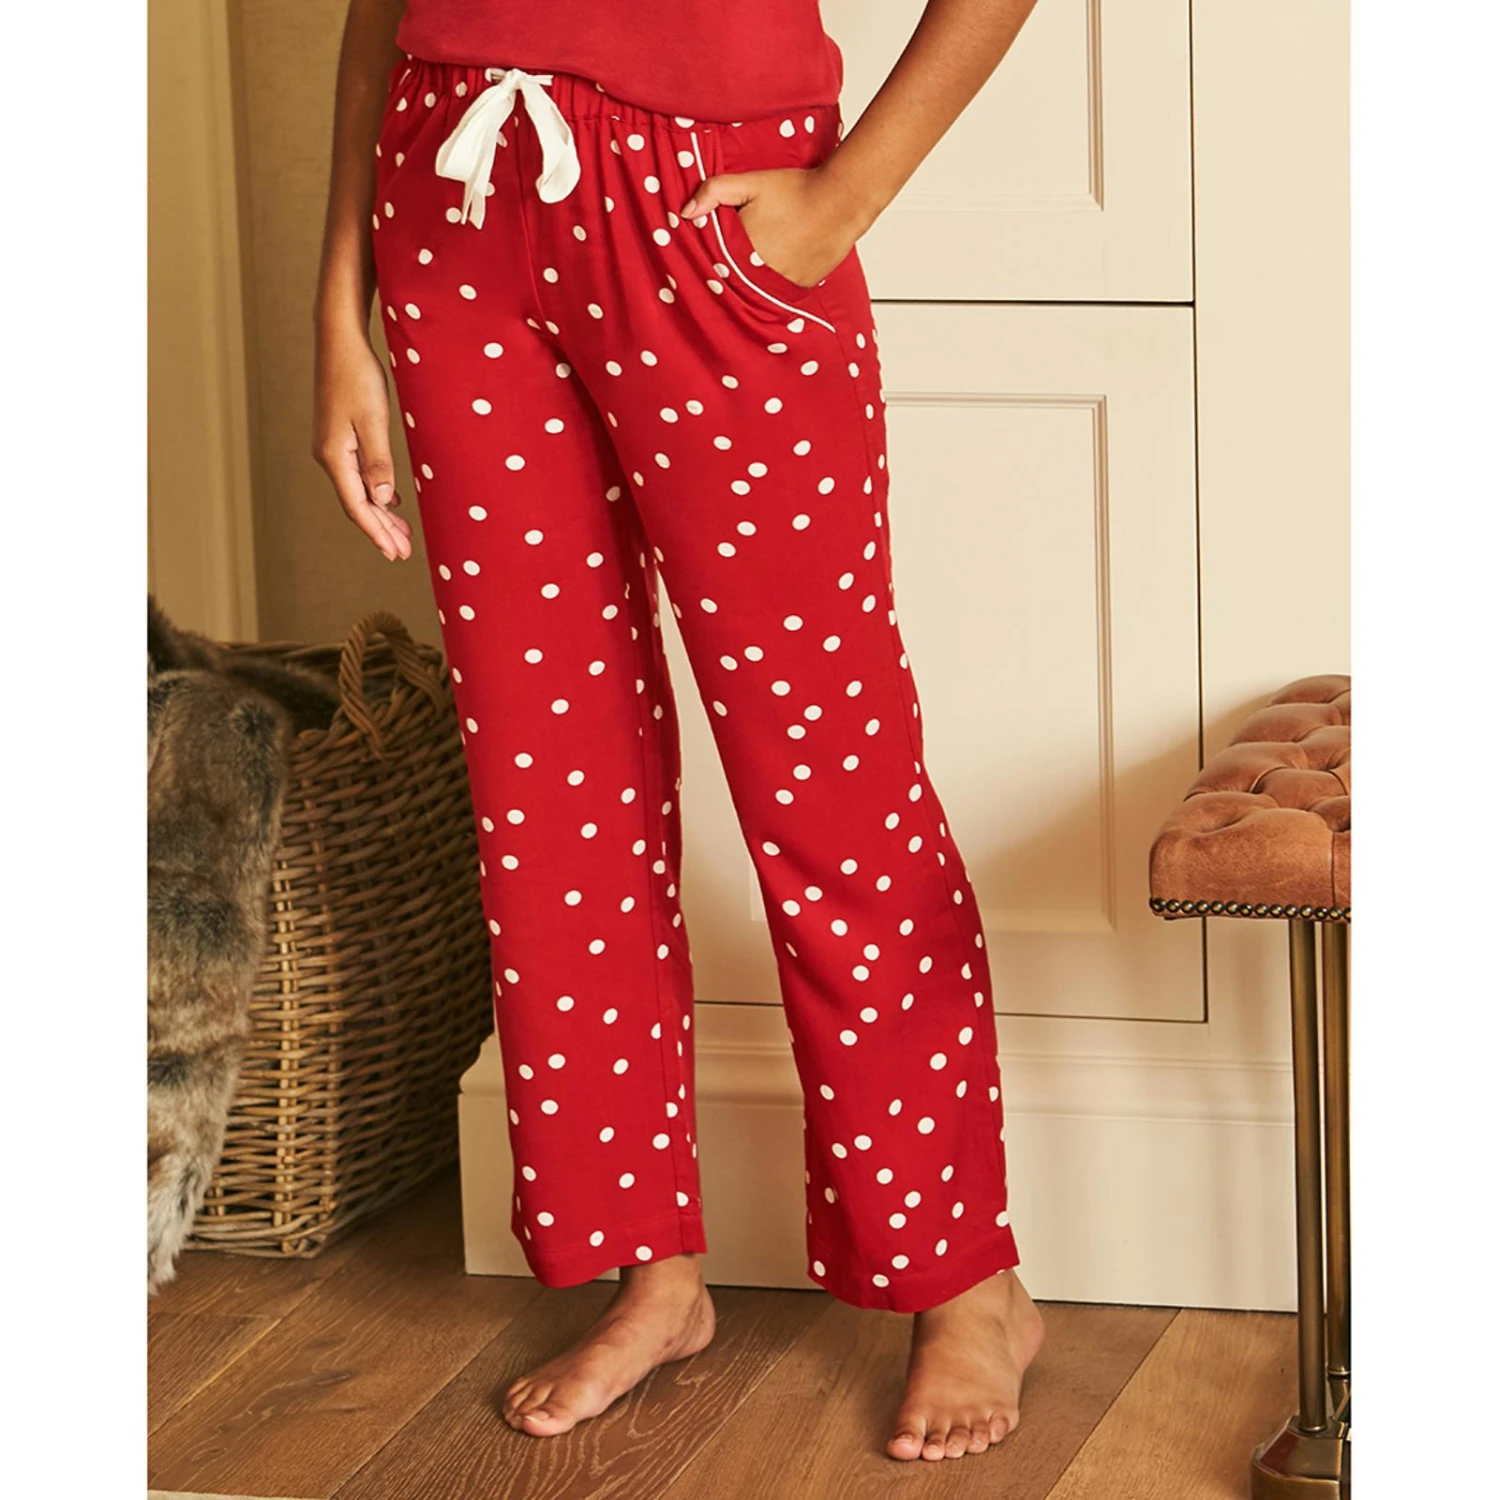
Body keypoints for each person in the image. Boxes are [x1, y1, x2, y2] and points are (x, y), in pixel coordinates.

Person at [313, 0, 1044, 1464]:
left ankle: (966, 1275)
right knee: (549, 787)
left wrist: (846, 199)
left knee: (829, 777)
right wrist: (340, 304)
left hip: (709, 206)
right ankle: (652, 1274)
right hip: (451, 203)